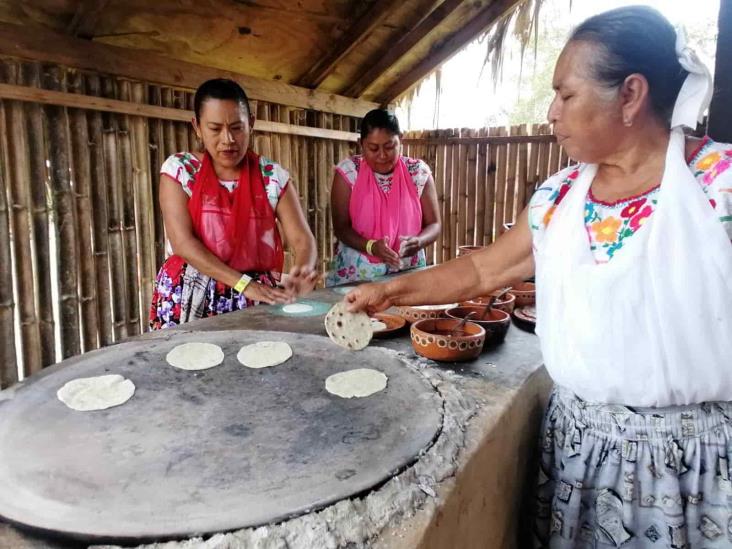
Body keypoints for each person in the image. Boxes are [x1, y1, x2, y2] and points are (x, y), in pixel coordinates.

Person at [346, 7, 732, 548]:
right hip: (578, 453)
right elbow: (484, 267)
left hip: (689, 467)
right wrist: (391, 290)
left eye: (566, 95)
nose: (552, 112)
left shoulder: (719, 186)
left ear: (630, 94)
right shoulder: (559, 197)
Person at [150, 78, 317, 329]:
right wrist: (244, 285)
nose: (228, 139)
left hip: (255, 298)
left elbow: (303, 241)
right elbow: (183, 243)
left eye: (237, 127)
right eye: (215, 128)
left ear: (252, 122)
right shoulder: (181, 170)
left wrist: (302, 272)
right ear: (197, 127)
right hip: (188, 296)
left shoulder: (271, 177)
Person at [326, 109, 441, 286]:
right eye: (373, 148)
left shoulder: (418, 173)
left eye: (389, 147)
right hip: (357, 276)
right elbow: (341, 227)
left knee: (405, 314)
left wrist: (418, 242)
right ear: (361, 144)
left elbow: (434, 224)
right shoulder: (349, 172)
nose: (382, 155)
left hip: (407, 272)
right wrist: (371, 246)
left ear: (400, 139)